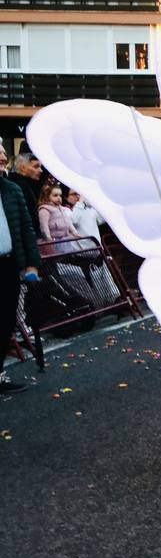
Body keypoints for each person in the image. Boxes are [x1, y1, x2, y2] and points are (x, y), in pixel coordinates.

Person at [0, 172, 41, 395]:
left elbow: (27, 227)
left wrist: (32, 264)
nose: (3, 154)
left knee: (5, 321)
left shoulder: (12, 189)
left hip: (8, 265)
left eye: (3, 150)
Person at [11, 151, 43, 223]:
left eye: (40, 167)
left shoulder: (30, 184)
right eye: (36, 166)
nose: (41, 170)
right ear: (22, 168)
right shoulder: (21, 186)